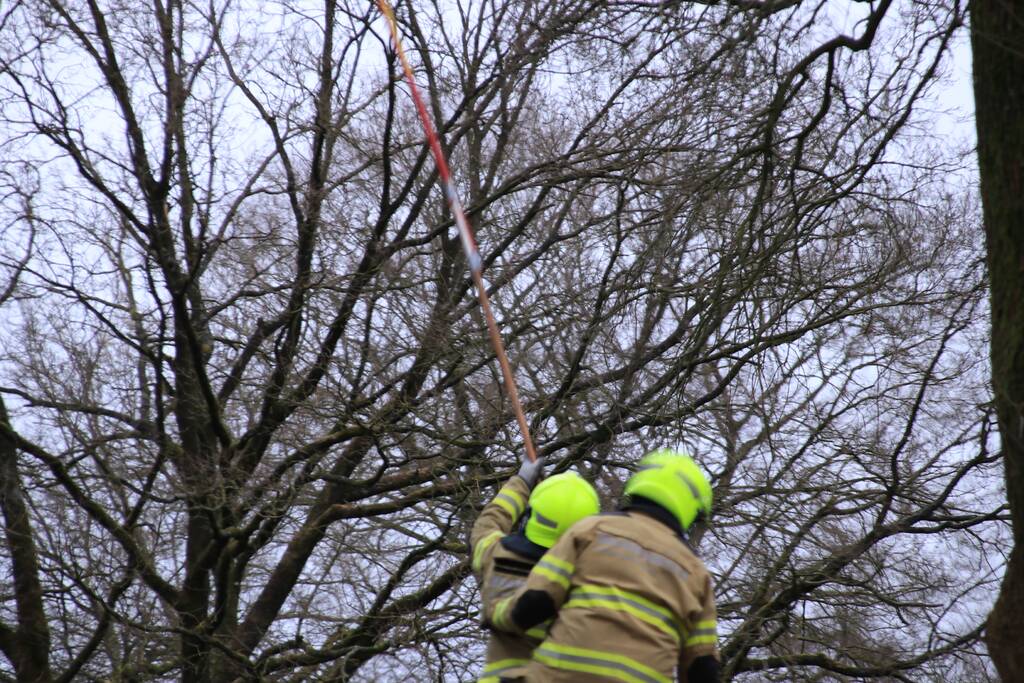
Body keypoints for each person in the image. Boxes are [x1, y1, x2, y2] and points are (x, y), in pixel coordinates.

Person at [488, 448, 720, 683]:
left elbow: (535, 602)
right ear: (692, 508)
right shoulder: (697, 575)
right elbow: (702, 668)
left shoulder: (591, 530)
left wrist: (495, 613)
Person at [470, 457, 601, 683]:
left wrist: (522, 482)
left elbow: (487, 524)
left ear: (532, 515)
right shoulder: (582, 583)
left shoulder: (496, 554)